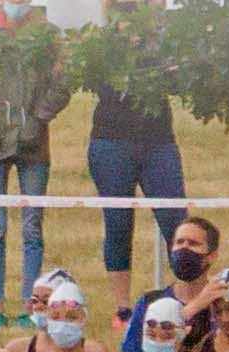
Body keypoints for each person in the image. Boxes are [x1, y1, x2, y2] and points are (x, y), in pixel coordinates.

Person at [0, 0, 69, 310]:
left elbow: (63, 84)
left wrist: (38, 118)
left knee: (32, 227)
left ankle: (29, 304)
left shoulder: (47, 36)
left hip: (33, 143)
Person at [77, 0, 185, 299]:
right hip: (111, 140)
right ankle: (122, 308)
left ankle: (188, 298)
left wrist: (159, 50)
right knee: (118, 223)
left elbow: (178, 83)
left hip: (158, 138)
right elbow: (94, 80)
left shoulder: (165, 40)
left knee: (176, 221)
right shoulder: (101, 42)